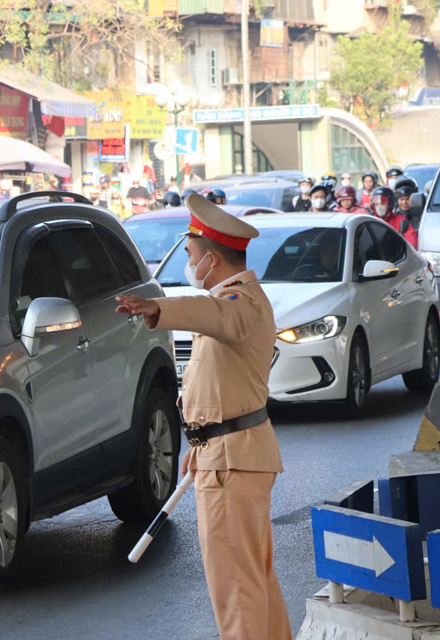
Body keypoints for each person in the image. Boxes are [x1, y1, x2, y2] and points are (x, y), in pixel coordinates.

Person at [114, 193, 291, 640]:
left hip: (233, 460)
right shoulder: (242, 301)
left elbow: (211, 311)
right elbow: (216, 388)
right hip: (225, 453)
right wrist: (199, 444)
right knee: (253, 581)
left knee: (236, 588)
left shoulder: (238, 303)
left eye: (191, 255)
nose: (189, 265)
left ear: (211, 259)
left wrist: (158, 307)